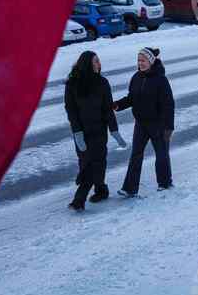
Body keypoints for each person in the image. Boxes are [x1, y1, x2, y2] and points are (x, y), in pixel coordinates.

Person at [64, 50, 127, 211]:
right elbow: (71, 110)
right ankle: (101, 189)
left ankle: (79, 199)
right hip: (81, 132)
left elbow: (107, 109)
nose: (99, 64)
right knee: (85, 162)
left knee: (96, 163)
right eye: (95, 62)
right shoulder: (72, 84)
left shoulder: (102, 83)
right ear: (87, 64)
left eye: (99, 61)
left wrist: (114, 131)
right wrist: (77, 133)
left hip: (99, 131)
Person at [115, 47, 175, 196]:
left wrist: (168, 127)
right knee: (136, 155)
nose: (140, 63)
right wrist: (117, 105)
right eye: (138, 60)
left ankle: (165, 183)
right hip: (141, 123)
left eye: (143, 60)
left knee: (161, 154)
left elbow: (168, 104)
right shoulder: (136, 77)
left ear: (151, 61)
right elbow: (131, 98)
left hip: (158, 124)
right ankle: (129, 189)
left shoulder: (161, 79)